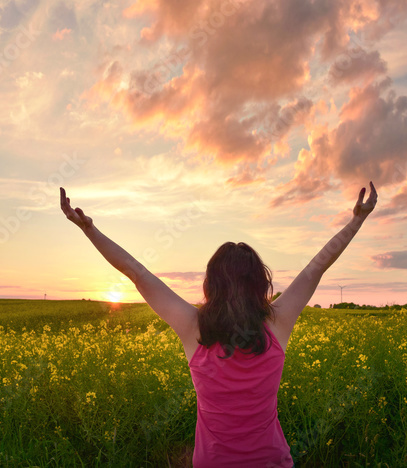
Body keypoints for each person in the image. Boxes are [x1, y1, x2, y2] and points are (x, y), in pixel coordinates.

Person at [60, 181, 378, 467]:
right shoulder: (277, 325)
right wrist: (357, 220)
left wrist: (89, 230)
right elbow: (315, 268)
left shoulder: (193, 328)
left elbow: (136, 272)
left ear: (211, 283)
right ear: (259, 283)